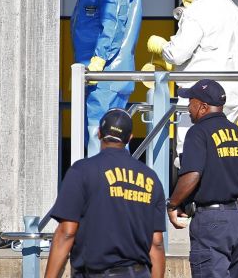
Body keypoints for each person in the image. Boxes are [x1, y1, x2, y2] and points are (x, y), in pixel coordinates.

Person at [45, 109, 166, 278]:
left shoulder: (82, 171)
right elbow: (157, 243)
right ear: (130, 138)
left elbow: (67, 232)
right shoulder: (151, 178)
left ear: (99, 133)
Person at [146, 0, 238, 157]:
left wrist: (162, 47)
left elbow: (178, 53)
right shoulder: (234, 10)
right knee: (221, 152)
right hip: (234, 96)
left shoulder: (197, 11)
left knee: (190, 153)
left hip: (202, 99)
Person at [166, 80, 238, 278]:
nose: (188, 108)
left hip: (213, 223)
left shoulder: (198, 132)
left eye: (191, 102)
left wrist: (173, 203)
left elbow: (192, 175)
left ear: (202, 106)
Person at [65, 0, 143, 157]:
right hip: (102, 73)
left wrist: (99, 59)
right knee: (113, 134)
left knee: (99, 134)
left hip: (105, 74)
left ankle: (99, 179)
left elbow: (113, 20)